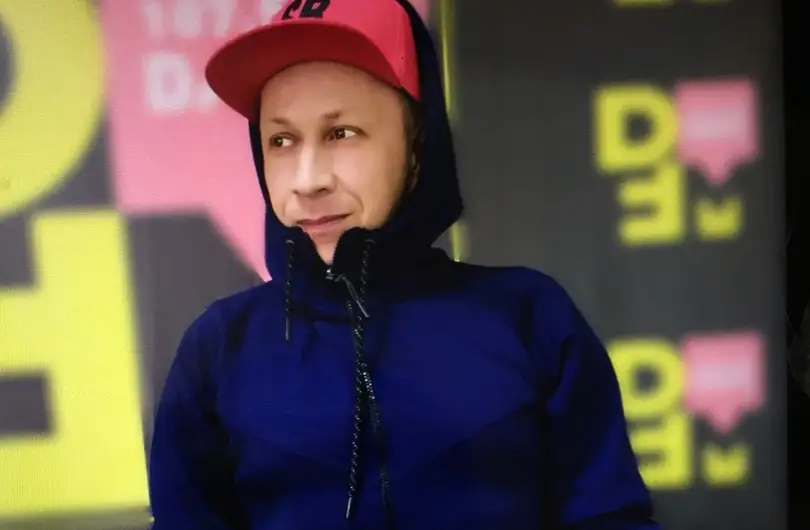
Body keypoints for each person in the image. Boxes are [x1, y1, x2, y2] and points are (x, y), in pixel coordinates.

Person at [147, 0, 659, 528]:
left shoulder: (532, 320)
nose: (307, 180)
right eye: (281, 140)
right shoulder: (217, 350)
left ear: (417, 147)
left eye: (341, 133)